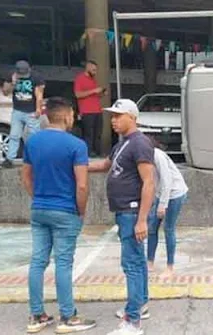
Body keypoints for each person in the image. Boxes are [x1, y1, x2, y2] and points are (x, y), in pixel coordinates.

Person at [21, 97, 96, 334]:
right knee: (63, 263)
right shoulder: (76, 145)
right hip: (65, 210)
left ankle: (36, 315)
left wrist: (38, 198)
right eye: (72, 114)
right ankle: (67, 316)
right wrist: (81, 210)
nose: (73, 118)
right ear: (65, 116)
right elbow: (82, 185)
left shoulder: (32, 142)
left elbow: (25, 177)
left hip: (39, 208)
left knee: (38, 261)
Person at [89, 99, 155, 335]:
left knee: (132, 264)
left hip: (132, 211)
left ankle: (132, 321)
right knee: (137, 262)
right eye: (112, 116)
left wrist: (141, 219)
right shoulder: (122, 145)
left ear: (132, 117)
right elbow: (105, 165)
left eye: (118, 116)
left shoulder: (140, 144)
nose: (113, 120)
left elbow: (149, 182)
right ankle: (141, 303)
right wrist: (79, 166)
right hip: (124, 211)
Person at [145, 137, 189, 279]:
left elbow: (166, 180)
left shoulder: (157, 156)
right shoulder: (144, 156)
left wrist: (162, 205)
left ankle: (170, 267)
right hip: (161, 193)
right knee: (152, 228)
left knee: (168, 229)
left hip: (174, 193)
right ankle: (149, 262)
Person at [1, 60, 45, 168]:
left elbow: (39, 95)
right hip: (17, 110)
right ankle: (9, 159)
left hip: (31, 111)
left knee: (34, 137)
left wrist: (38, 109)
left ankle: (36, 159)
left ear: (29, 69)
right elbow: (5, 92)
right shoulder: (11, 76)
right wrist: (12, 83)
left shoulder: (36, 77)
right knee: (14, 135)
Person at [74, 60, 106, 157]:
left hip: (97, 110)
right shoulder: (80, 79)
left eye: (96, 70)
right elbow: (78, 94)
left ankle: (98, 152)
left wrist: (101, 94)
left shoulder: (93, 80)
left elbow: (94, 95)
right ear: (87, 67)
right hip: (87, 111)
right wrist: (94, 91)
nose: (95, 72)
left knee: (98, 133)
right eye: (93, 70)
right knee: (89, 134)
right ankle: (87, 154)